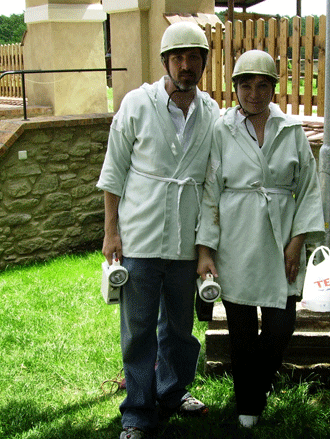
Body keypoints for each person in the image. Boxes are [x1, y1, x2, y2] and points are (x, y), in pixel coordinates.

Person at [96, 21, 220, 439]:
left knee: (180, 330)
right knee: (139, 330)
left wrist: (206, 249)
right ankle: (136, 411)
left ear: (203, 62)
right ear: (166, 61)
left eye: (194, 58)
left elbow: (211, 183)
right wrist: (111, 232)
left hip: (186, 241)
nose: (186, 66)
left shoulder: (212, 112)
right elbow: (113, 174)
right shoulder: (135, 104)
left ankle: (172, 391)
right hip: (141, 238)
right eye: (178, 58)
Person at [196, 50, 325, 429]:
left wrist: (297, 242)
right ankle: (248, 404)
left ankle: (259, 385)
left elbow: (309, 189)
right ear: (235, 88)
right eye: (246, 85)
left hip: (280, 241)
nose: (254, 93)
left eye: (262, 85)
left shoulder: (291, 130)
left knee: (280, 327)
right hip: (235, 241)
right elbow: (209, 194)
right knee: (241, 333)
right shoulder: (221, 129)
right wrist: (206, 251)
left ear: (274, 87)